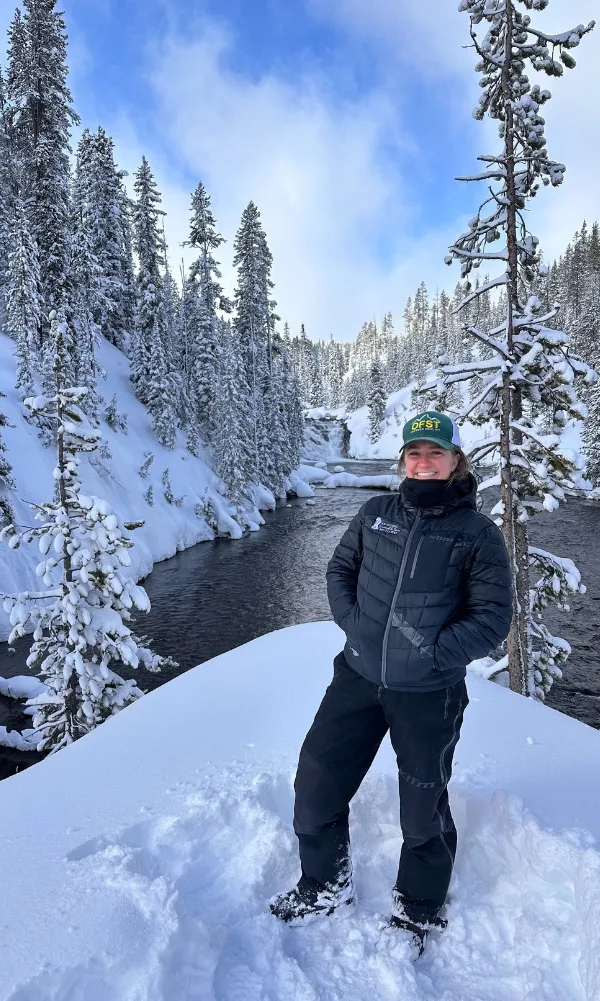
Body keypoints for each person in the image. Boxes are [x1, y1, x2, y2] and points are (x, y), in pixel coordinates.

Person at [270, 410, 513, 954]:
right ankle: (323, 887)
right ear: (402, 459)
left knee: (422, 805)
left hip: (429, 693)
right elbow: (339, 572)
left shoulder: (477, 534)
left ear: (455, 461)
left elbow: (493, 620)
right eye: (414, 453)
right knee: (315, 781)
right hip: (356, 677)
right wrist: (355, 627)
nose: (423, 463)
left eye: (435, 453)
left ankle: (420, 910)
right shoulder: (376, 511)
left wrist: (430, 654)